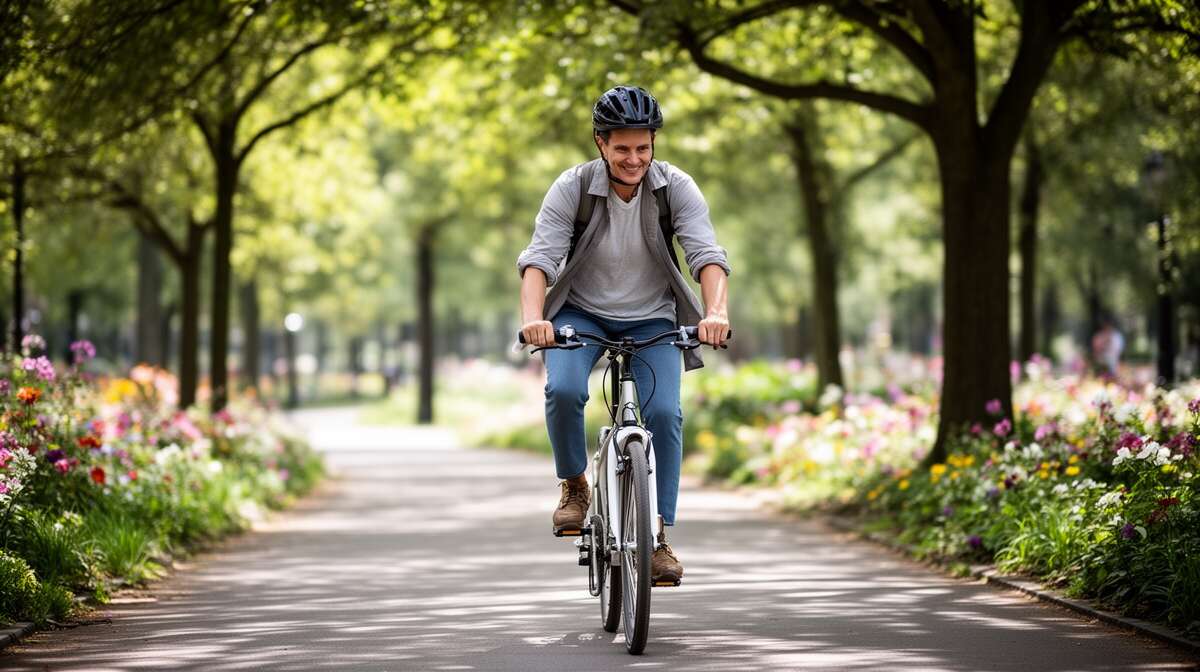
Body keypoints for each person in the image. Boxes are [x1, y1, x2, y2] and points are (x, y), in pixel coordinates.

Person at [516, 85, 731, 585]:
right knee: (564, 389)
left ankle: (657, 537)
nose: (634, 159)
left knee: (665, 413)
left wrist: (716, 312)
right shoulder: (572, 188)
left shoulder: (675, 187)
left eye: (643, 147)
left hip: (653, 317)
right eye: (622, 148)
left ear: (653, 144)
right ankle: (575, 485)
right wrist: (533, 318)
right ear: (600, 143)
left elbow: (707, 254)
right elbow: (539, 259)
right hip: (580, 315)